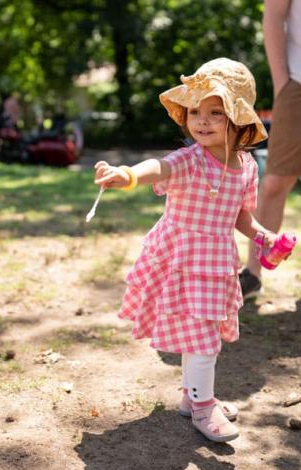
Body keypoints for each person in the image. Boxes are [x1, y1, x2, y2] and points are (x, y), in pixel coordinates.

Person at [93, 58, 282, 443]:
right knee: (202, 336)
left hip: (214, 262)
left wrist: (262, 235)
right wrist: (127, 175)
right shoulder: (189, 160)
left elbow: (240, 215)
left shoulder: (246, 166)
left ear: (239, 119)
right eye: (196, 111)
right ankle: (202, 404)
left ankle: (191, 396)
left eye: (216, 112)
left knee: (202, 331)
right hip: (180, 256)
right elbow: (157, 167)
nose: (202, 120)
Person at [239, 0, 301, 300]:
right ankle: (253, 273)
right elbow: (274, 16)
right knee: (276, 180)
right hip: (297, 82)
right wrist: (282, 83)